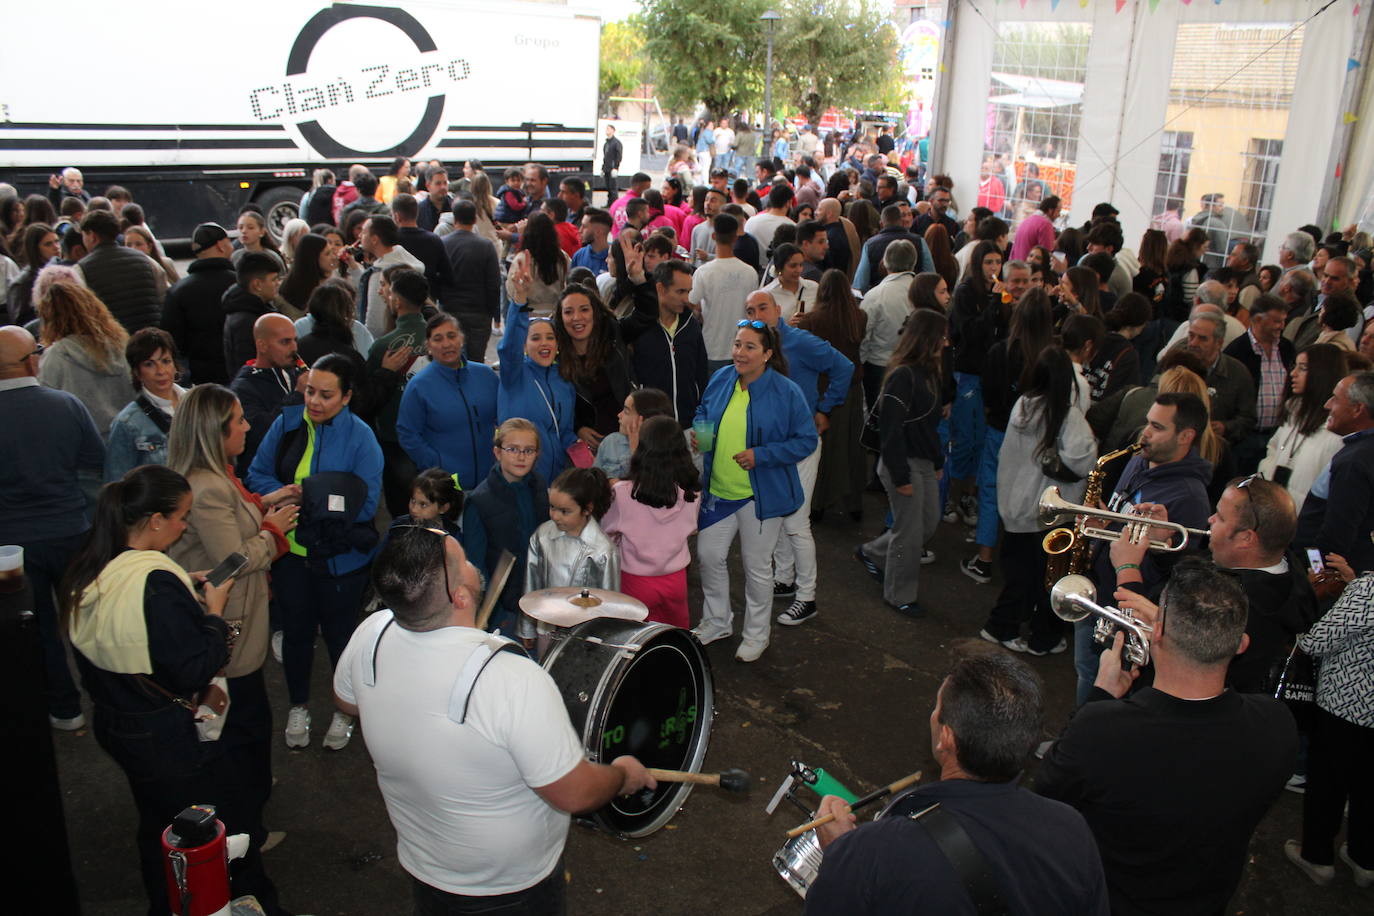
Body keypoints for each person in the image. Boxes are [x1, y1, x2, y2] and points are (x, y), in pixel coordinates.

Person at [332, 526, 652, 912]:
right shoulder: (510, 678)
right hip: (511, 887)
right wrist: (622, 775)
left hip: (426, 864)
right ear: (461, 595)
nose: (471, 563)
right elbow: (575, 793)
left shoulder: (371, 634)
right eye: (463, 561)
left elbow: (347, 701)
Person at [61, 465, 287, 915]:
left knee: (158, 824)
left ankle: (165, 901)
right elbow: (195, 666)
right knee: (214, 826)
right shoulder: (157, 585)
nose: (186, 526)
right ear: (156, 520)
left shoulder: (95, 564)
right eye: (181, 517)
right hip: (165, 738)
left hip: (115, 719)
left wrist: (187, 587)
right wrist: (213, 612)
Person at [1037, 558, 1298, 916]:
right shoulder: (1277, 723)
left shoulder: (1100, 729)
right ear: (1240, 644)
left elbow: (1048, 793)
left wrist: (1099, 695)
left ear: (1156, 633)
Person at [806, 652, 1109, 915]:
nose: (933, 716)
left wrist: (838, 852)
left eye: (937, 710)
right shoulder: (1071, 829)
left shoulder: (875, 850)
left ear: (946, 739)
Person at [166, 384, 298, 864]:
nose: (246, 427)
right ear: (213, 432)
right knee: (240, 728)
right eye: (238, 421)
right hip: (230, 628)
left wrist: (264, 505)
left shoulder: (214, 477)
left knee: (246, 721)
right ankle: (243, 830)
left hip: (236, 624)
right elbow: (228, 564)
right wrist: (272, 532)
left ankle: (248, 798)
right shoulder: (207, 488)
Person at [248, 354, 383, 751]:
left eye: (326, 395)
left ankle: (344, 710)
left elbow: (368, 502)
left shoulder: (362, 437)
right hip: (290, 552)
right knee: (296, 633)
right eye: (310, 391)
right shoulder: (286, 423)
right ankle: (298, 705)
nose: (315, 401)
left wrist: (313, 496)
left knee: (342, 638)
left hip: (342, 560)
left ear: (346, 397)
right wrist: (290, 492)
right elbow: (256, 474)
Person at [692, 320, 817, 662]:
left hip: (759, 497)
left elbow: (806, 440)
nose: (739, 353)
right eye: (736, 345)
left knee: (757, 567)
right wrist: (701, 432)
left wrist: (762, 455)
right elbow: (704, 410)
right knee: (709, 556)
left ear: (767, 354)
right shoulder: (721, 378)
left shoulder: (787, 391)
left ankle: (757, 634)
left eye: (749, 347)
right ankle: (717, 621)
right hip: (719, 491)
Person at [1078, 392, 1214, 704]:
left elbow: (1180, 573)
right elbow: (1122, 513)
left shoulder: (1190, 497)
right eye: (1147, 423)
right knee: (1085, 668)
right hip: (1100, 590)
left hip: (1128, 609)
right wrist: (1104, 524)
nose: (1145, 433)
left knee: (1099, 680)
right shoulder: (1140, 460)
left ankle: (1083, 737)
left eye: (1156, 426)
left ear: (1186, 436)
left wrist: (1159, 547)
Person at [0, 324, 104, 728]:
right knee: (84, 620)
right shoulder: (65, 405)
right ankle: (105, 697)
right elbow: (95, 460)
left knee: (38, 628)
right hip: (69, 531)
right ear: (30, 361)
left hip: (11, 545)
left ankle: (64, 708)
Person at [740, 289, 852, 627]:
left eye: (763, 307)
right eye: (750, 309)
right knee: (780, 513)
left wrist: (824, 407)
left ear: (777, 309)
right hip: (774, 449)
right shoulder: (753, 348)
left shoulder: (800, 341)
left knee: (795, 522)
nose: (758, 314)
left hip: (800, 445)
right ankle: (785, 580)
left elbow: (844, 367)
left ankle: (807, 597)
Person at [979, 346, 1095, 654]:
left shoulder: (1023, 405)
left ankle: (1002, 625)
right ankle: (1039, 637)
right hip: (1051, 514)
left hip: (1016, 506)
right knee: (1048, 577)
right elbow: (1083, 461)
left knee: (1018, 573)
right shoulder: (1067, 417)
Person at [1285, 571, 1374, 888]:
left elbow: (1315, 641)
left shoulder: (1369, 588)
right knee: (1368, 788)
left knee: (1328, 784)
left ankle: (1317, 857)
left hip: (1345, 705)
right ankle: (1365, 859)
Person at [857, 309, 947, 617]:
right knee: (909, 534)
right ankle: (899, 595)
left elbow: (928, 426)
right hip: (903, 463)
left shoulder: (930, 372)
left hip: (921, 461)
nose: (946, 343)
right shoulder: (903, 376)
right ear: (929, 339)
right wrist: (900, 476)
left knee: (927, 523)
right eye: (942, 337)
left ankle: (871, 552)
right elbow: (891, 432)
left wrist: (936, 460)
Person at [601, 414, 701, 628]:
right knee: (673, 639)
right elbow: (691, 528)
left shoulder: (623, 494)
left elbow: (606, 531)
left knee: (635, 641)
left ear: (642, 450)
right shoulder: (691, 493)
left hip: (635, 582)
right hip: (676, 581)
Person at [461, 418, 549, 633]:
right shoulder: (479, 501)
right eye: (513, 449)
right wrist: (494, 614)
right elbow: (476, 566)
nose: (521, 457)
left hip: (538, 594)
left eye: (529, 450)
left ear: (537, 454)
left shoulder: (539, 485)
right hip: (504, 607)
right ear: (497, 452)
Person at [795, 269, 868, 522]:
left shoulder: (811, 321)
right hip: (853, 391)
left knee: (823, 451)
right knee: (852, 447)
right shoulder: (859, 317)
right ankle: (854, 502)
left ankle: (819, 504)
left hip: (823, 392)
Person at [397, 313, 500, 490]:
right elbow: (408, 433)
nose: (446, 344)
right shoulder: (418, 387)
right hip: (446, 484)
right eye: (438, 339)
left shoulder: (486, 376)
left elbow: (504, 418)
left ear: (462, 338)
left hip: (490, 480)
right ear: (428, 346)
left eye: (451, 336)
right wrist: (436, 464)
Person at [523, 466, 618, 643]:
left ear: (587, 509)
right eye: (552, 507)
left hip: (584, 636)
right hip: (547, 626)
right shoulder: (542, 535)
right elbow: (531, 582)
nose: (555, 516)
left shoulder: (604, 550)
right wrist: (527, 628)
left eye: (565, 511)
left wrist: (604, 642)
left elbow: (610, 603)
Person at [502, 262, 576, 484]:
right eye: (535, 338)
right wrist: (520, 301)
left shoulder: (564, 379)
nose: (544, 343)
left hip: (556, 479)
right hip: (520, 478)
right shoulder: (513, 373)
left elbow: (565, 433)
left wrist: (585, 460)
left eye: (550, 337)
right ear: (524, 346)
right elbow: (508, 348)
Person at [1294, 370, 1374, 576]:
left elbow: (1336, 536)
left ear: (1357, 409)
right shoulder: (1361, 452)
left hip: (1330, 578)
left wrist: (1317, 573)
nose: (1327, 405)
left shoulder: (1355, 461)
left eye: (1336, 399)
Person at [34, 277, 130, 438]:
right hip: (127, 434)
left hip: (86, 441)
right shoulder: (121, 345)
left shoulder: (55, 357)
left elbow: (45, 404)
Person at [619, 257, 708, 426]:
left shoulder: (692, 326)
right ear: (660, 289)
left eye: (688, 292)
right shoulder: (638, 328)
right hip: (648, 429)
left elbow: (701, 376)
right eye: (680, 292)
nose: (686, 299)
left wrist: (700, 418)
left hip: (688, 426)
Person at [1257, 343, 1346, 511]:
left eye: (1302, 368)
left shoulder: (1336, 430)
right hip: (1275, 507)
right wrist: (1267, 476)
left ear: (1322, 374)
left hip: (1304, 518)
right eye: (1294, 366)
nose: (1293, 374)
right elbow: (1273, 447)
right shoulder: (1294, 411)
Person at [552, 283, 636, 453]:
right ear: (560, 318)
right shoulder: (554, 357)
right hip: (583, 449)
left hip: (625, 440)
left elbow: (646, 313)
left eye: (584, 309)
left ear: (595, 313)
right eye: (568, 312)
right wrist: (577, 429)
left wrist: (639, 278)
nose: (576, 317)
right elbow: (555, 407)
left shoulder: (614, 338)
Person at [229, 314, 305, 475]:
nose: (294, 348)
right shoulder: (242, 389)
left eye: (295, 340)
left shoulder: (294, 375)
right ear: (262, 346)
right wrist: (298, 395)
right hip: (262, 479)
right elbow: (263, 434)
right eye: (285, 342)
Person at [104, 328, 185, 480]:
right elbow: (116, 483)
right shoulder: (127, 423)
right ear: (136, 371)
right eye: (149, 364)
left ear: (175, 364)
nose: (161, 371)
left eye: (166, 361)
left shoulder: (197, 403)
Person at [162, 223, 236, 385]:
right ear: (220, 246)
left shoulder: (178, 291)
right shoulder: (239, 284)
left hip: (200, 377)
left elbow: (173, 340)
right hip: (236, 372)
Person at [690, 214, 760, 373]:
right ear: (735, 238)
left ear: (714, 236)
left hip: (711, 346)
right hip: (744, 347)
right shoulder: (750, 272)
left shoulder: (703, 272)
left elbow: (691, 302)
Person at [75, 209, 162, 333]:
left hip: (114, 341)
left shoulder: (81, 269)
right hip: (152, 336)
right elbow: (163, 297)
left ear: (92, 236)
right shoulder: (146, 260)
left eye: (83, 235)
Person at [358, 215, 423, 340]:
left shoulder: (381, 273)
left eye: (364, 232)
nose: (360, 236)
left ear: (374, 239)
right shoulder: (407, 262)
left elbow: (374, 323)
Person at [221, 252, 283, 378]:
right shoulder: (247, 322)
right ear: (257, 285)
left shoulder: (254, 309)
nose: (278, 283)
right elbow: (247, 368)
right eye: (274, 279)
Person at [507, 213, 570, 316]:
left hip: (529, 315)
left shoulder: (522, 258)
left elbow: (512, 292)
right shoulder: (562, 256)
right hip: (555, 313)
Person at [387, 467, 463, 540]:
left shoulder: (453, 537)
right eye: (413, 500)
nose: (414, 509)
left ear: (443, 508)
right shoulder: (398, 527)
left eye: (423, 505)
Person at [602, 124, 623, 204]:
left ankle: (614, 204)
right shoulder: (606, 143)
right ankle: (609, 203)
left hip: (612, 168)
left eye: (609, 129)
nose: (607, 130)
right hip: (607, 168)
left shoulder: (616, 143)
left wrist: (616, 168)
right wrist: (603, 168)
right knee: (608, 187)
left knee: (613, 187)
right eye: (606, 129)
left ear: (613, 131)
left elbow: (619, 156)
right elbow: (606, 157)